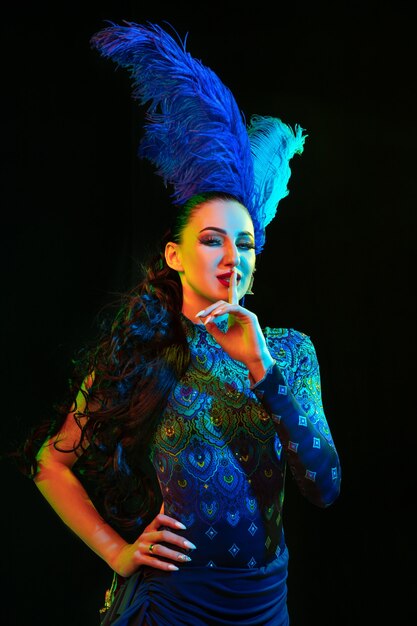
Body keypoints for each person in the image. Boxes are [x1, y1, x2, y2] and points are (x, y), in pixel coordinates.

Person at [17, 22, 341, 626]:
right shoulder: (145, 349)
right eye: (213, 240)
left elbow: (324, 487)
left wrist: (262, 369)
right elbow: (50, 463)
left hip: (264, 606)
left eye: (244, 244)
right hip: (171, 607)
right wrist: (117, 552)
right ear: (174, 255)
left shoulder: (290, 353)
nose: (231, 258)